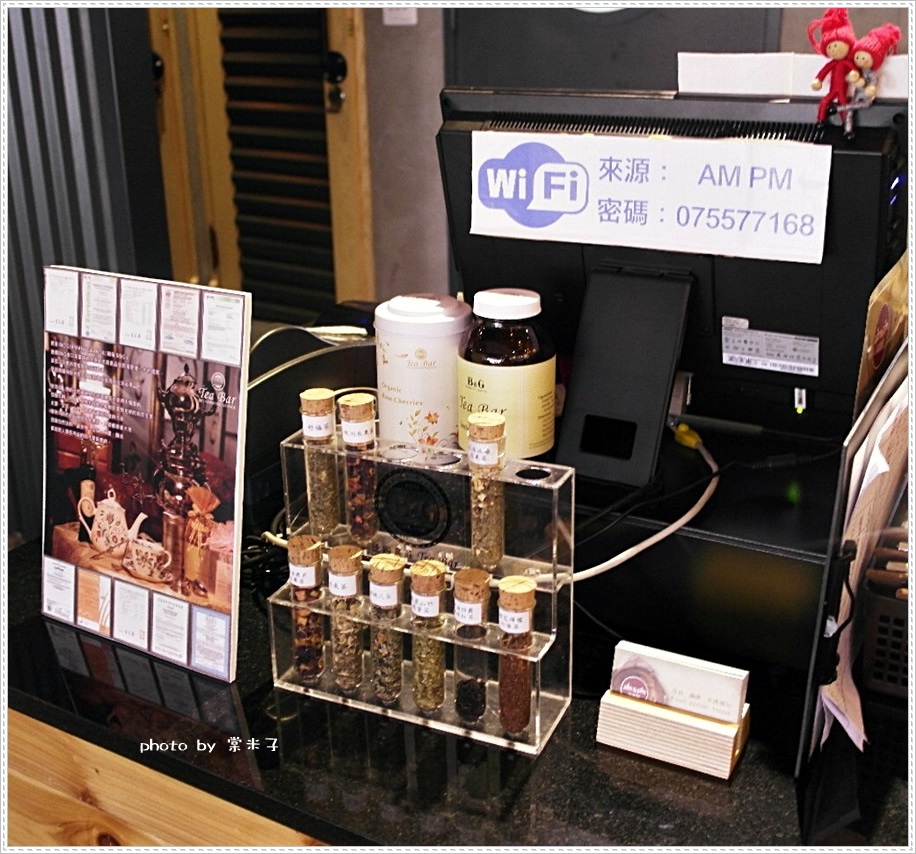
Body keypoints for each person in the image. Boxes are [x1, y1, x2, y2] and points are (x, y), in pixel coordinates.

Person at [807, 8, 857, 125]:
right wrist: (818, 80)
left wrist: (854, 75)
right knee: (824, 102)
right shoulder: (832, 64)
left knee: (843, 104)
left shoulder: (846, 63)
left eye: (836, 45)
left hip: (842, 91)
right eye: (830, 47)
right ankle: (820, 120)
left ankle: (845, 122)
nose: (834, 50)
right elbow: (823, 72)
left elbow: (854, 71)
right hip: (832, 90)